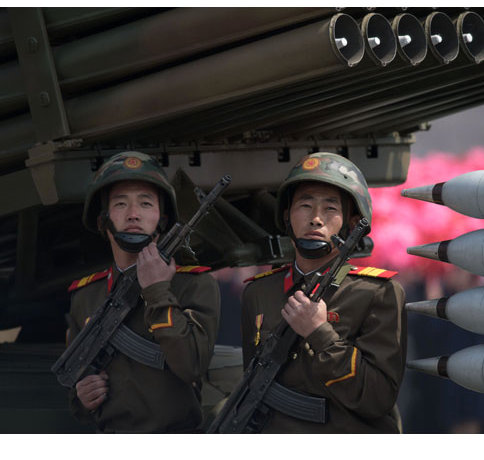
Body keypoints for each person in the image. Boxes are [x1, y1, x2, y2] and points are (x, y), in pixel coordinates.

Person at [241, 152, 407, 433]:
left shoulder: (376, 293)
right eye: (305, 205)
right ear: (287, 216)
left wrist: (319, 333)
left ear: (352, 224)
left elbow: (378, 399)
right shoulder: (260, 292)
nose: (316, 218)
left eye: (330, 209)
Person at [65, 151, 220, 433]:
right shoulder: (86, 295)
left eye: (146, 204)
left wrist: (158, 290)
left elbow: (191, 367)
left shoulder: (194, 285)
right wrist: (83, 397)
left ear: (162, 220)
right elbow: (76, 381)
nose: (133, 214)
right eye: (121, 203)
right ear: (103, 220)